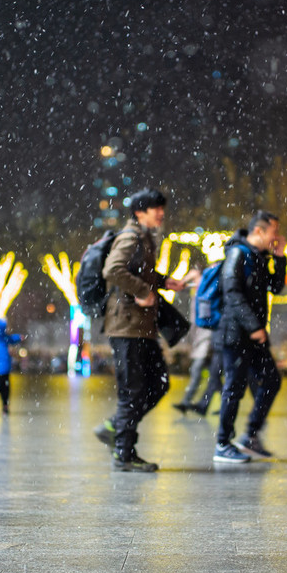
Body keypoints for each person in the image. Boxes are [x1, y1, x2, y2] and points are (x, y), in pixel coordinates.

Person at [93, 188, 188, 472]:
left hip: (142, 327)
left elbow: (139, 272)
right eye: (155, 208)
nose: (161, 213)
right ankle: (124, 452)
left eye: (161, 208)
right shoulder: (130, 237)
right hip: (126, 327)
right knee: (133, 391)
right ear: (139, 212)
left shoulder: (145, 238)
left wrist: (163, 281)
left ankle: (116, 427)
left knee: (159, 385)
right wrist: (144, 290)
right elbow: (113, 270)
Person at [213, 211, 287, 464]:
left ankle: (250, 436)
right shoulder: (238, 254)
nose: (276, 237)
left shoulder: (259, 257)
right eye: (273, 232)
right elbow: (231, 293)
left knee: (271, 380)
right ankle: (223, 443)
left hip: (254, 336)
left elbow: (276, 288)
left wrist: (279, 258)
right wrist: (254, 326)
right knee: (234, 387)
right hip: (235, 334)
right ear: (259, 231)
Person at [172, 316, 215, 415]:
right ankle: (196, 404)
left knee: (209, 376)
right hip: (204, 343)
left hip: (208, 343)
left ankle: (188, 402)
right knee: (214, 378)